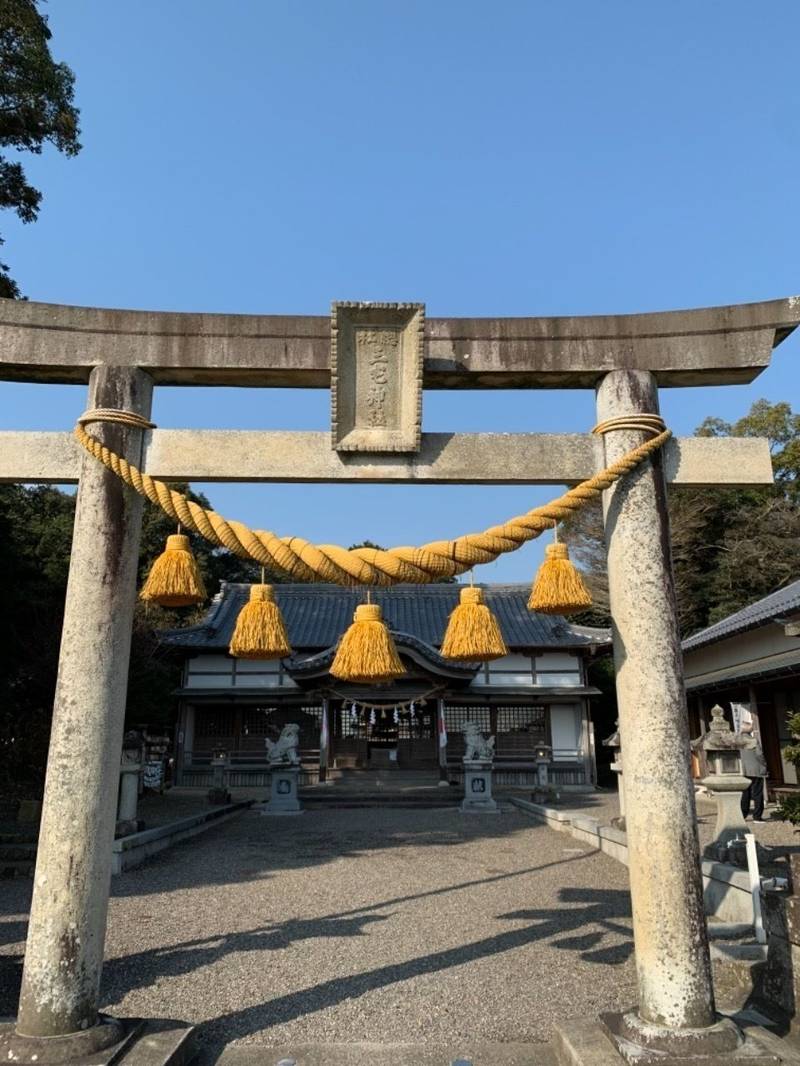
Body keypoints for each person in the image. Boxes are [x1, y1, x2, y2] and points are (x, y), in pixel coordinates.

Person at [739, 719, 768, 822]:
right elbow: (759, 755)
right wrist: (764, 764)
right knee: (757, 793)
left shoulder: (738, 741)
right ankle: (757, 816)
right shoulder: (753, 740)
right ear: (750, 730)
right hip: (756, 769)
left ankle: (743, 815)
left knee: (745, 793)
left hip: (743, 770)